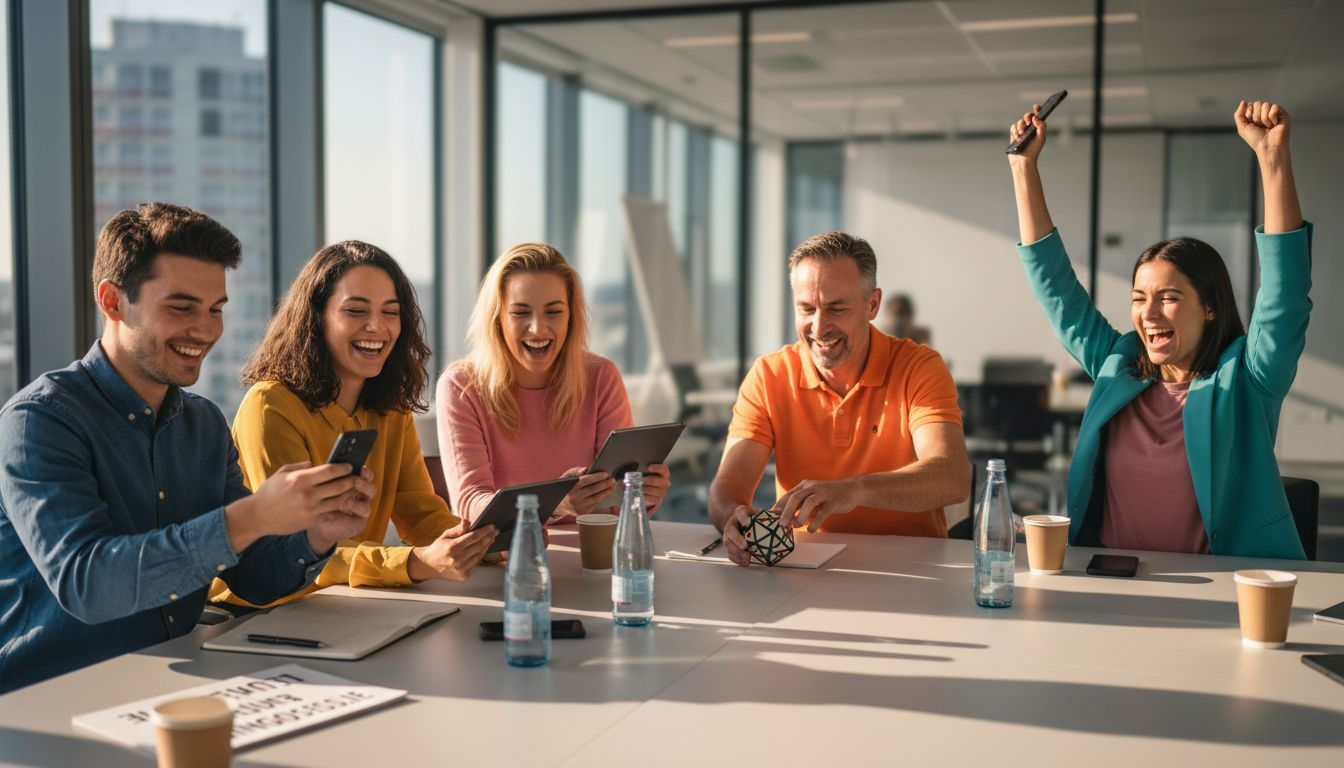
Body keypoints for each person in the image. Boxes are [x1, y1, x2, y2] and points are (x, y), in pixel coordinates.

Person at [0, 203, 375, 693]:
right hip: (48, 701)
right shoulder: (40, 420)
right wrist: (253, 517)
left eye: (215, 309)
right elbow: (87, 584)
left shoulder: (203, 423)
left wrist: (316, 536)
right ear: (113, 301)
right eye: (182, 307)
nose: (205, 330)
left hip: (172, 683)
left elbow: (254, 577)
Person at [1008, 100, 1310, 558]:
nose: (1149, 315)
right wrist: (1022, 168)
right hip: (1111, 583)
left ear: (1210, 306)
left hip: (1218, 591)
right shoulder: (1117, 368)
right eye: (1139, 299)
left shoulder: (1249, 381)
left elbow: (1284, 298)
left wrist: (1272, 160)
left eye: (1168, 298)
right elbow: (1059, 295)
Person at [210, 242, 496, 611]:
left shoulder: (391, 406)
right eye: (355, 311)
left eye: (390, 313)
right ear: (316, 317)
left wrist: (476, 542)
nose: (376, 327)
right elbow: (295, 549)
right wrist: (413, 563)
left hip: (347, 605)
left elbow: (420, 513)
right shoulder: (270, 406)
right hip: (261, 612)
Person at [709, 232, 970, 566]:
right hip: (805, 568)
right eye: (806, 309)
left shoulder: (918, 367)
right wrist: (732, 517)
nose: (819, 327)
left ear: (872, 305)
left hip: (913, 566)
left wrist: (854, 490)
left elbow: (951, 476)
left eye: (836, 309)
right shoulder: (769, 374)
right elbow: (728, 484)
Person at [438, 242, 670, 526]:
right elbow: (471, 503)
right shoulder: (461, 387)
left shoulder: (601, 377)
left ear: (571, 318)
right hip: (508, 558)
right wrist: (555, 504)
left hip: (592, 556)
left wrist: (641, 493)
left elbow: (616, 508)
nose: (537, 328)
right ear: (497, 319)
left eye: (553, 312)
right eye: (520, 312)